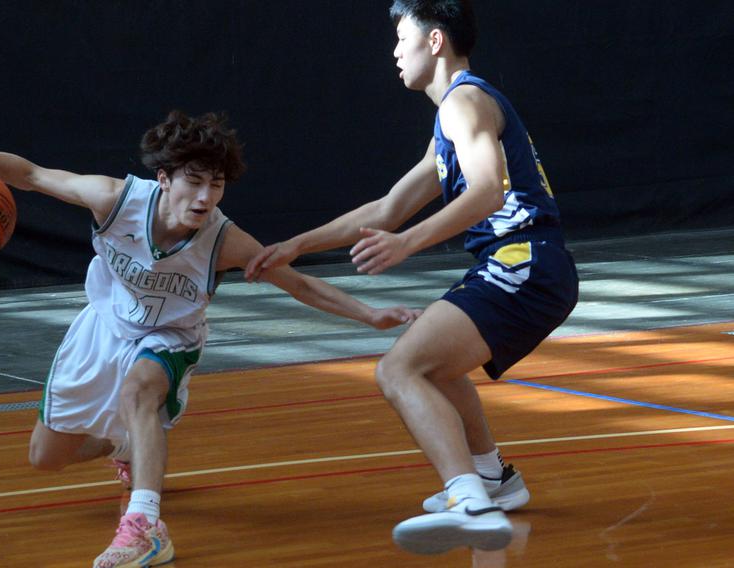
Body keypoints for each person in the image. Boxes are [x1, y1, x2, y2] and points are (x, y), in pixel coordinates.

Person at [0, 110, 419, 568]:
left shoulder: (224, 240)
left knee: (141, 390)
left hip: (170, 337)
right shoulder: (113, 200)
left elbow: (298, 282)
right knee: (44, 458)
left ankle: (144, 528)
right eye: (194, 182)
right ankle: (123, 443)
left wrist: (369, 314)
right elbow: (31, 176)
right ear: (164, 179)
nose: (205, 197)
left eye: (216, 184)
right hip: (104, 326)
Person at [245, 0, 579, 555]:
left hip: (525, 263)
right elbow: (384, 209)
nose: (394, 51)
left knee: (399, 369)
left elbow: (488, 192)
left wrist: (407, 244)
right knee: (438, 368)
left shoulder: (464, 101)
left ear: (435, 41)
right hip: (529, 267)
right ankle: (495, 480)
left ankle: (468, 500)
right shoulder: (450, 117)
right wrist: (296, 245)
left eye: (402, 38)